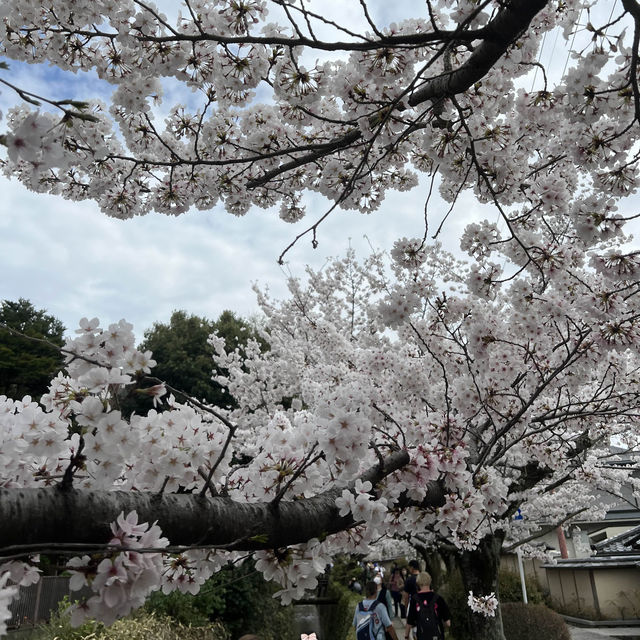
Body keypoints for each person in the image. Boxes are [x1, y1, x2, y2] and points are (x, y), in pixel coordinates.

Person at [404, 572, 451, 640]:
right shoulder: (438, 598)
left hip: (422, 636)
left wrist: (406, 636)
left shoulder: (414, 599)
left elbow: (410, 621)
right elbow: (448, 623)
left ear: (418, 583)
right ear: (430, 581)